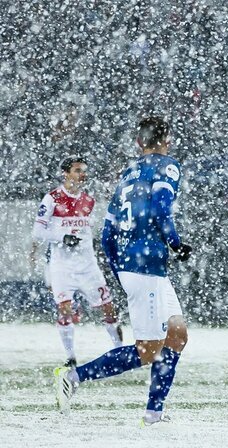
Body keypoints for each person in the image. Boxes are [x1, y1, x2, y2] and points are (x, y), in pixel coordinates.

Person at [54, 117, 193, 425]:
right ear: (167, 139)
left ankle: (154, 412)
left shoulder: (128, 173)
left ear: (138, 142)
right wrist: (174, 242)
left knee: (178, 333)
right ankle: (74, 377)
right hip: (146, 266)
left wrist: (121, 269)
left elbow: (107, 232)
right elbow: (161, 206)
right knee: (148, 350)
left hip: (138, 266)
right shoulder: (168, 165)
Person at [32, 156, 123, 366]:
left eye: (84, 171)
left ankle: (120, 352)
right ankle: (70, 358)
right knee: (65, 310)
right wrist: (62, 238)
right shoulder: (52, 198)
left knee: (109, 309)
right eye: (78, 170)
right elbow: (37, 232)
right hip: (63, 267)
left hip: (88, 266)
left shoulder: (89, 200)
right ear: (66, 173)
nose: (83, 174)